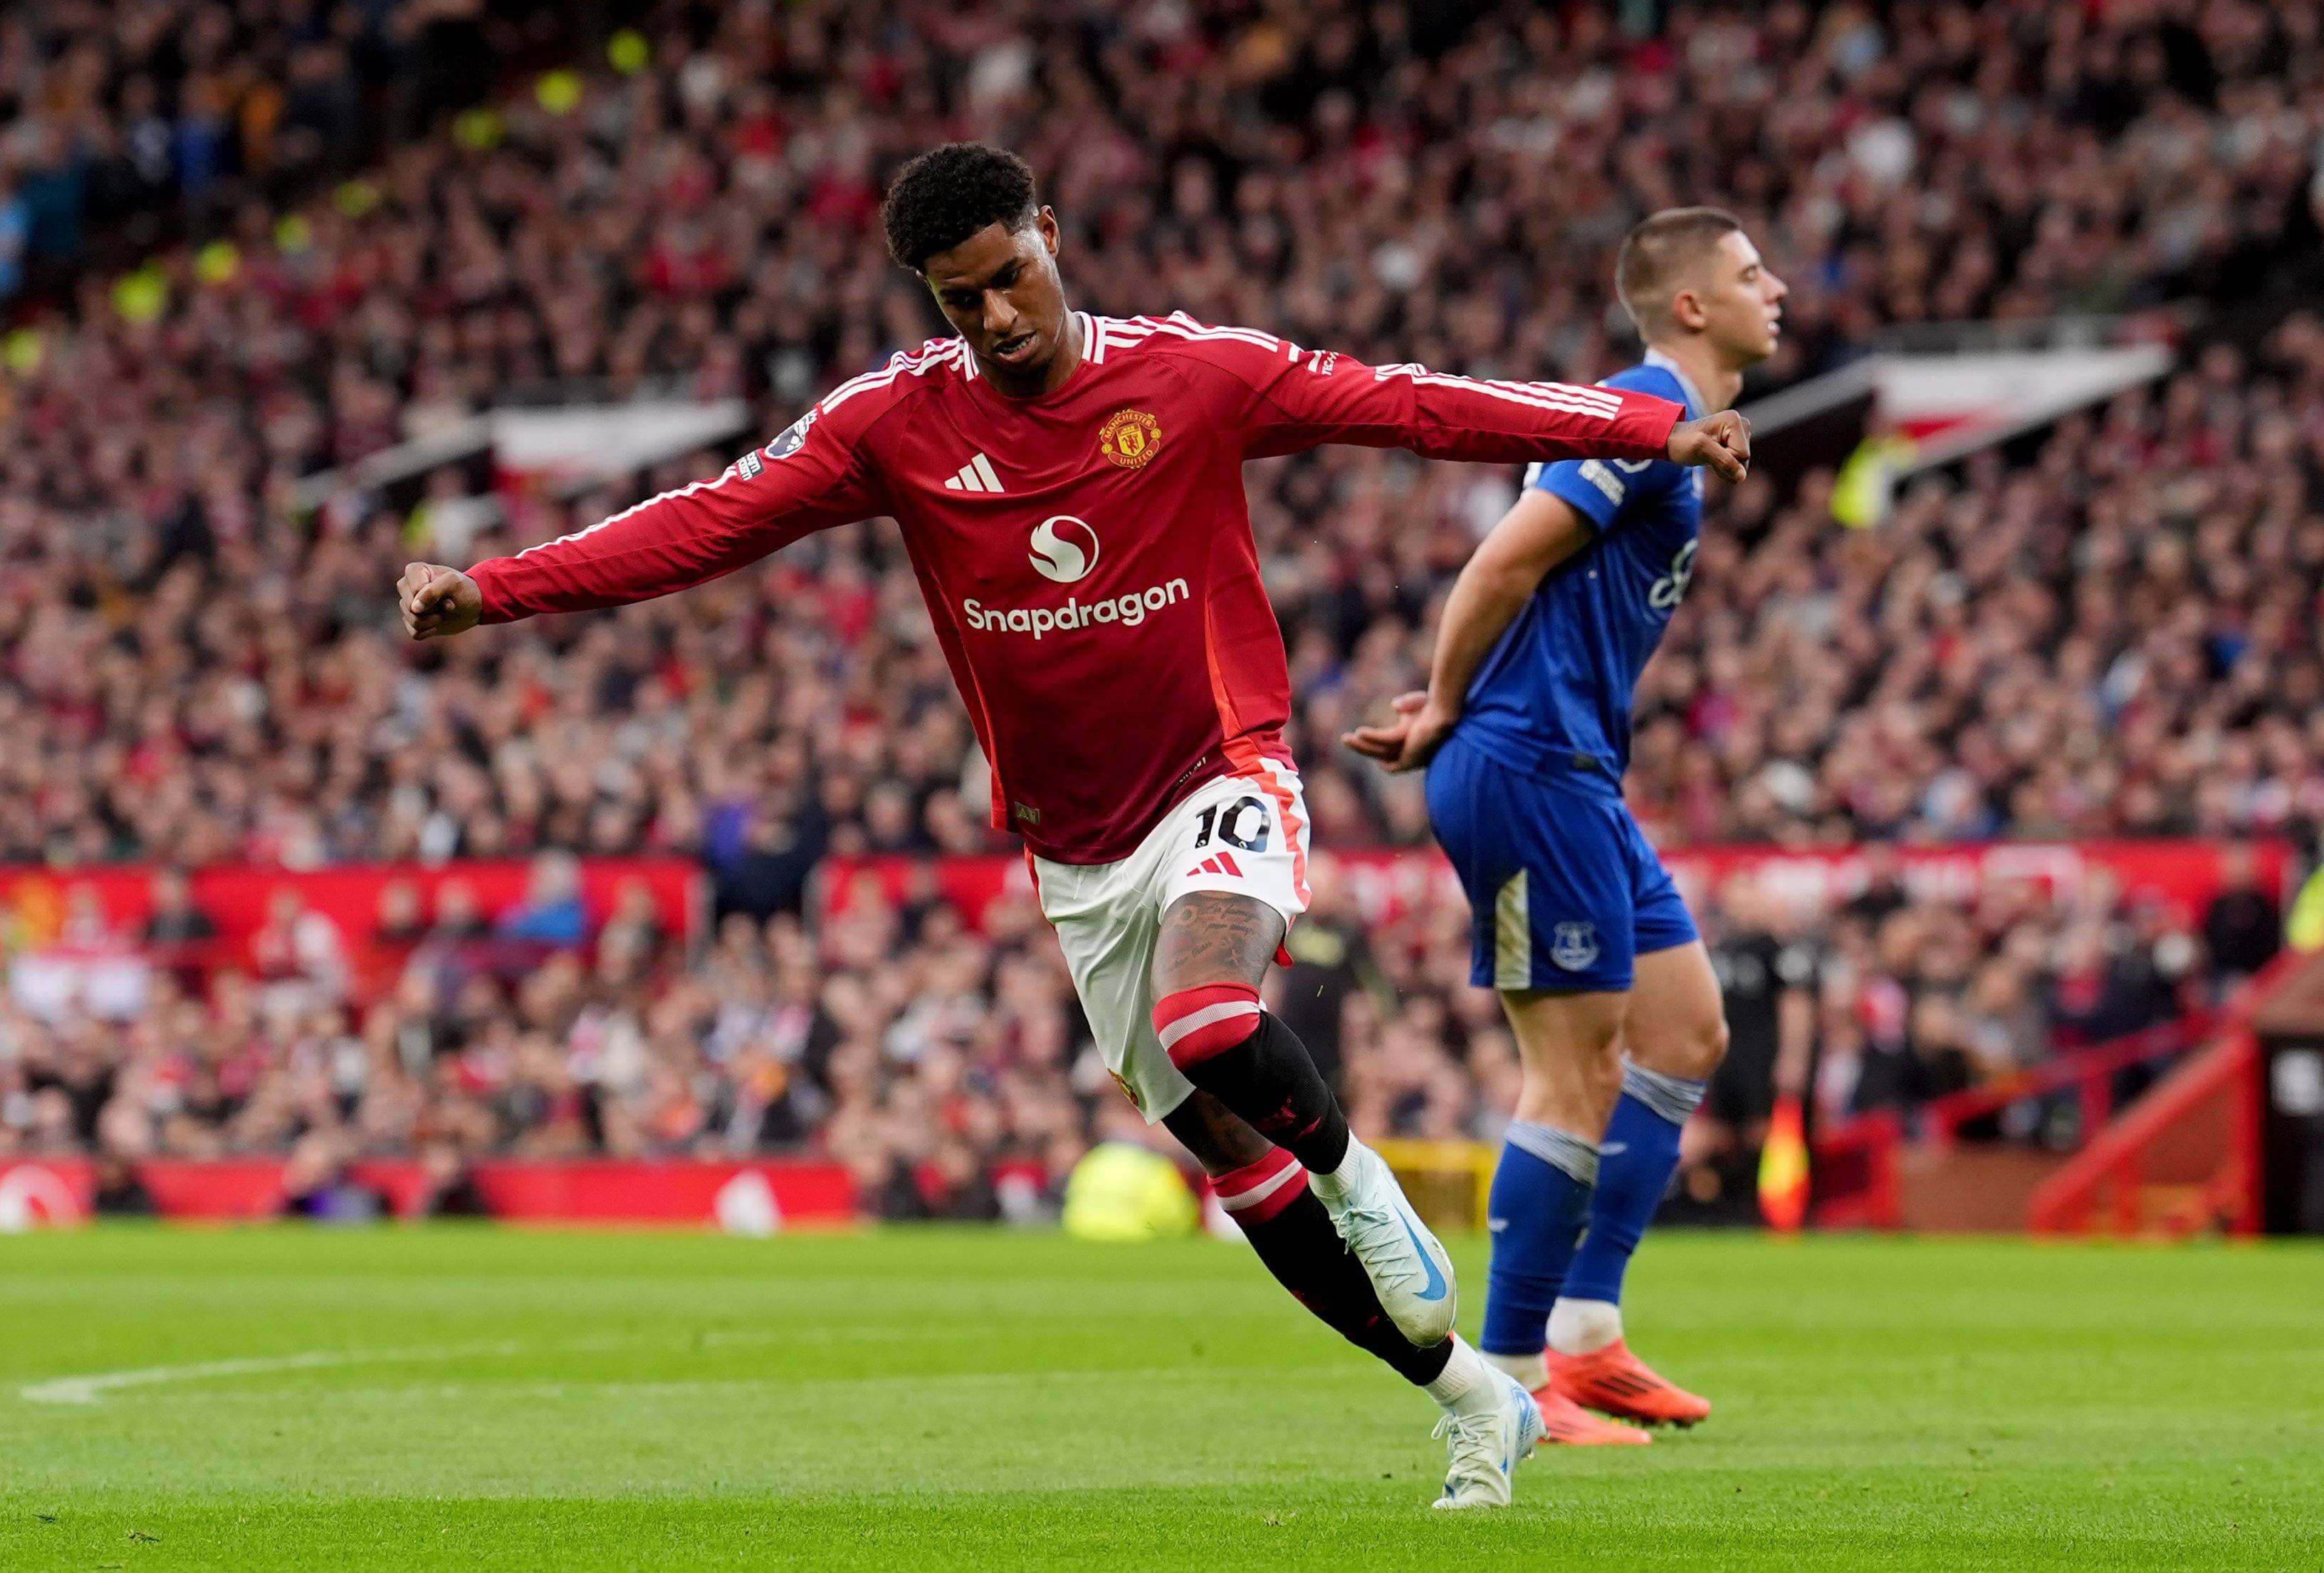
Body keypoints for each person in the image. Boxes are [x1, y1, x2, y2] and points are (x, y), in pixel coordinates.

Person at [395, 144, 1748, 1509]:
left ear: (1049, 232)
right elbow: (710, 521)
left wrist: (1639, 426)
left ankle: (1362, 1184)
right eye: (958, 298)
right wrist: (497, 589)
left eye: (1008, 276)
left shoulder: (1191, 373)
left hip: (1221, 768)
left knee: (1210, 1021)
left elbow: (1409, 403)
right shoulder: (893, 422)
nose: (992, 317)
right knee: (1228, 1154)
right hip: (1075, 847)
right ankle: (1474, 1397)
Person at [1346, 208, 1783, 1443]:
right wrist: (1441, 704)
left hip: (1578, 771)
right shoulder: (1634, 413)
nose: (1779, 288)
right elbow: (1500, 565)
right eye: (1752, 274)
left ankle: (1590, 1338)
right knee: (1574, 1072)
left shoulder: (1662, 428)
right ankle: (1514, 1382)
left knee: (1688, 1031)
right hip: (1527, 766)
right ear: (1690, 305)